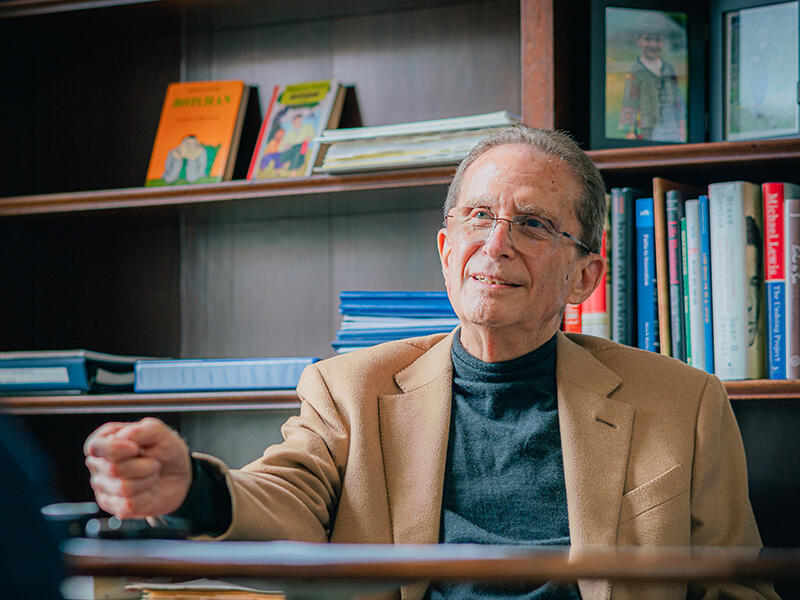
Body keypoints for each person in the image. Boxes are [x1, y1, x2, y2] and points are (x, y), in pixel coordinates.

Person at [84, 126, 777, 600]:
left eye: (533, 224)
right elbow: (290, 498)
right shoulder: (349, 388)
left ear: (586, 275)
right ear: (447, 250)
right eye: (478, 217)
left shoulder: (681, 403)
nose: (496, 243)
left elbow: (737, 588)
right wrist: (193, 490)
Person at [618, 25, 686, 143]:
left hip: (671, 128)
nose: (653, 45)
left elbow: (678, 100)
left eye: (657, 40)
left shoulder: (669, 69)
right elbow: (630, 102)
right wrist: (630, 131)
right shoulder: (636, 71)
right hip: (647, 129)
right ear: (639, 40)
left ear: (663, 41)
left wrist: (682, 125)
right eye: (648, 39)